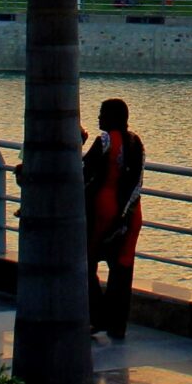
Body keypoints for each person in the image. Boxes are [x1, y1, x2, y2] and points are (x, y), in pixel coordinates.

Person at [82, 96, 145, 341]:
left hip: (103, 210)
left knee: (87, 261)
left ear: (113, 117)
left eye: (102, 113)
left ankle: (97, 317)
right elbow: (137, 182)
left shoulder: (105, 140)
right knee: (122, 267)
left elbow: (84, 171)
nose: (98, 117)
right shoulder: (135, 142)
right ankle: (118, 325)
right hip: (132, 212)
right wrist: (125, 213)